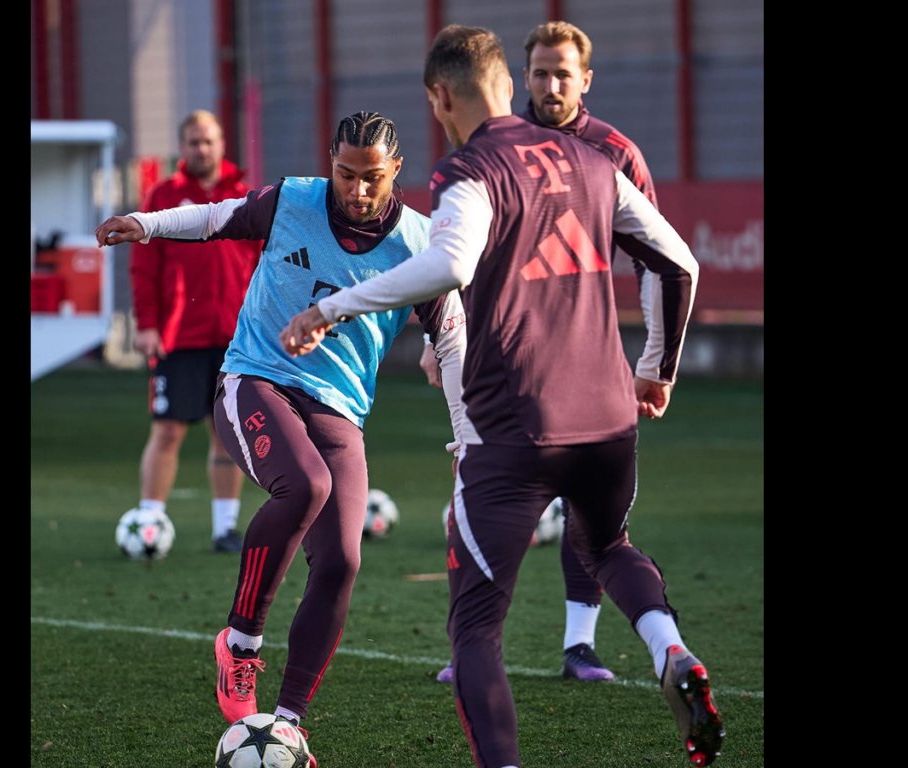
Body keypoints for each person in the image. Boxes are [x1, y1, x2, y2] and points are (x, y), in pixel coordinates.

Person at [280, 26, 723, 768]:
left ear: (438, 96)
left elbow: (448, 264)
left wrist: (330, 308)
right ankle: (669, 648)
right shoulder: (591, 154)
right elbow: (679, 262)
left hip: (515, 424)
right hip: (610, 415)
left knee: (477, 629)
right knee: (608, 545)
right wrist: (657, 368)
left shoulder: (471, 165)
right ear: (510, 84)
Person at [97, 111, 467, 764]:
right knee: (307, 487)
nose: (355, 189)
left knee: (344, 561)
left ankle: (289, 723)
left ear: (396, 172)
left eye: (371, 178)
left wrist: (463, 420)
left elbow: (451, 328)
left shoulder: (417, 242)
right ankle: (240, 644)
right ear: (330, 161)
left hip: (339, 414)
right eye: (345, 173)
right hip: (254, 382)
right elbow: (215, 218)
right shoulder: (293, 200)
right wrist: (147, 226)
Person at [426, 19, 660, 685]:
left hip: (584, 359)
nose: (550, 84)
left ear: (586, 80)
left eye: (563, 73)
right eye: (539, 72)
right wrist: (440, 337)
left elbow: (657, 260)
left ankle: (579, 646)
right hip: (496, 361)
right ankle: (468, 644)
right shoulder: (492, 144)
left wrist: (649, 360)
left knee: (590, 517)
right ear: (517, 78)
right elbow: (459, 258)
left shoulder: (614, 153)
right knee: (474, 498)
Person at [129, 110, 261, 553]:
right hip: (178, 337)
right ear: (182, 148)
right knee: (167, 430)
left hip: (236, 339)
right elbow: (144, 266)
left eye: (208, 141)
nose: (201, 149)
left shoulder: (246, 196)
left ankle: (225, 528)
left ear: (222, 144)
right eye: (192, 142)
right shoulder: (163, 195)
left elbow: (263, 263)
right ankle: (149, 521)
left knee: (226, 432)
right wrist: (147, 324)